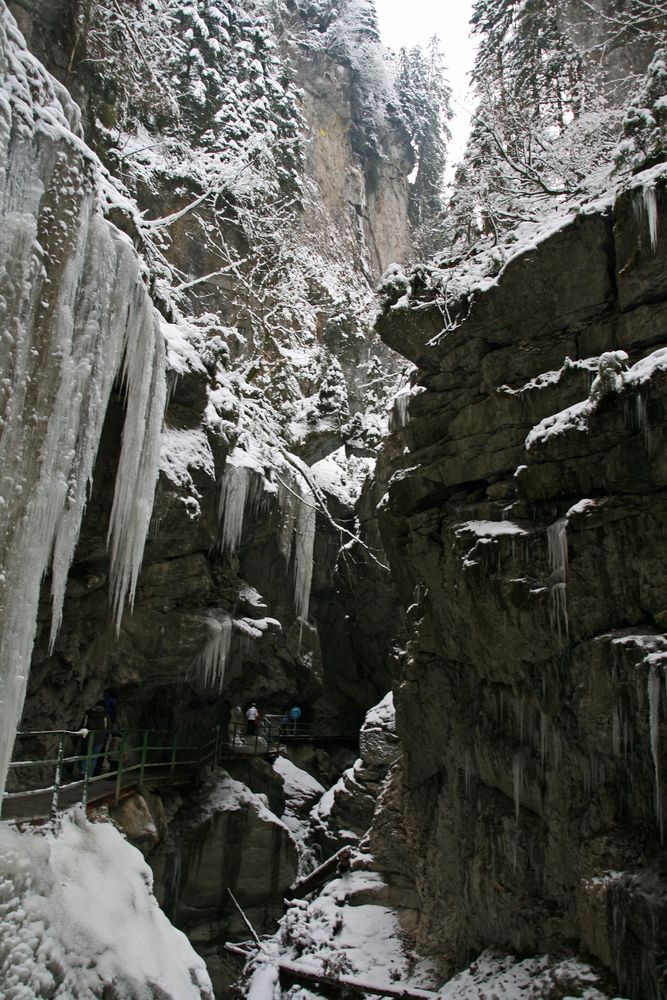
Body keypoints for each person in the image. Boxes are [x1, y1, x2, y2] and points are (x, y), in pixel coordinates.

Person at [79, 698, 110, 776]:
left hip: (87, 738)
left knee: (85, 756)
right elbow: (109, 728)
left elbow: (83, 725)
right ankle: (89, 776)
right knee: (93, 758)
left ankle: (82, 774)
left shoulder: (88, 714)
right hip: (99, 739)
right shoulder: (105, 715)